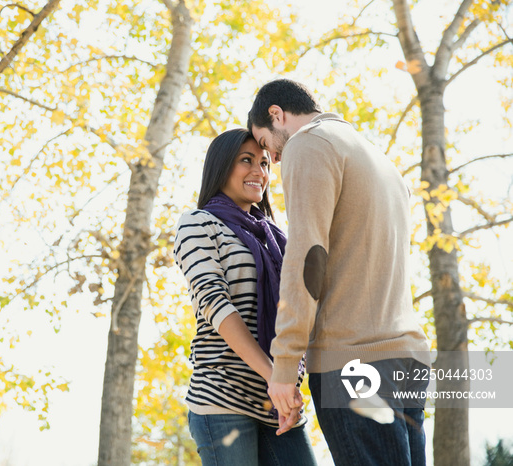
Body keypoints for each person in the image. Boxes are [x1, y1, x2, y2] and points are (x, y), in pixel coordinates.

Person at [247, 79, 431, 466]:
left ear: (276, 114)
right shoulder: (375, 155)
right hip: (407, 358)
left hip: (354, 362)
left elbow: (308, 257)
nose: (272, 159)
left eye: (265, 144)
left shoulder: (308, 144)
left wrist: (284, 364)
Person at [173, 128, 317, 466]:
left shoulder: (278, 239)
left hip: (277, 402)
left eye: (265, 163)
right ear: (221, 166)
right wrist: (274, 376)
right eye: (246, 160)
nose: (259, 172)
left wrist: (287, 381)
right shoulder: (198, 223)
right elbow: (214, 302)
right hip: (222, 399)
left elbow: (300, 309)